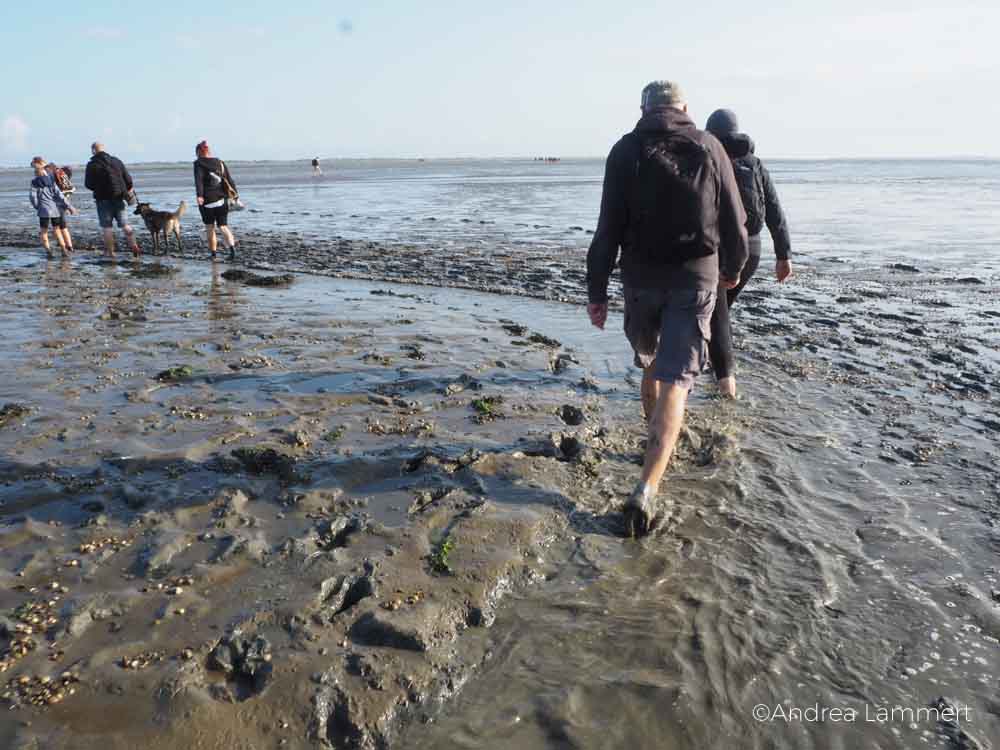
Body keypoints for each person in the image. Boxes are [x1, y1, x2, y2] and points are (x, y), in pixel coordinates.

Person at [586, 81, 749, 538]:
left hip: (640, 282)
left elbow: (606, 230)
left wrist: (596, 291)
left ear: (643, 108)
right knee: (676, 381)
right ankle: (647, 487)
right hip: (695, 279)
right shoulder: (709, 146)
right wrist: (732, 268)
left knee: (652, 363)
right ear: (684, 108)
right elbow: (733, 217)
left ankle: (652, 434)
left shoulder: (624, 151)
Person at [705, 109, 793, 398]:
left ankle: (726, 387)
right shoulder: (755, 164)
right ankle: (708, 365)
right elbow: (775, 211)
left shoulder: (708, 158)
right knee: (717, 311)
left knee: (717, 316)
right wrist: (784, 256)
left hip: (720, 249)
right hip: (752, 251)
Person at [84, 142, 141, 257]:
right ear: (104, 149)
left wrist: (98, 188)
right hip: (119, 197)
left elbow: (88, 184)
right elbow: (128, 180)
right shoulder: (116, 161)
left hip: (102, 199)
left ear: (93, 150)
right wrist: (126, 191)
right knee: (125, 225)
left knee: (107, 227)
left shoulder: (92, 164)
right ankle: (134, 245)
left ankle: (111, 253)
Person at [193, 141, 239, 261]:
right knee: (223, 226)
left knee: (210, 227)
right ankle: (232, 251)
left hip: (208, 201)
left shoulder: (198, 164)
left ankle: (213, 254)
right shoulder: (220, 162)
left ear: (198, 152)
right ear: (209, 151)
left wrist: (199, 196)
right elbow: (230, 180)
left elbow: (198, 181)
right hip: (222, 199)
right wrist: (235, 196)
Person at [29, 157, 77, 258]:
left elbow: (32, 197)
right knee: (57, 229)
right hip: (54, 209)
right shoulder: (51, 181)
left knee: (44, 232)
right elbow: (59, 195)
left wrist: (37, 206)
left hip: (43, 210)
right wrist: (69, 206)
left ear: (36, 173)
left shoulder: (34, 183)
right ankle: (64, 250)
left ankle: (49, 251)